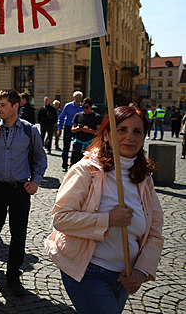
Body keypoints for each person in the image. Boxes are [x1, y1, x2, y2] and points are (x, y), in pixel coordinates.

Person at [45, 106, 164, 314]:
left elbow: (154, 231)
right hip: (88, 271)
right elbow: (61, 218)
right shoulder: (86, 170)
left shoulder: (144, 178)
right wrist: (107, 219)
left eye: (137, 131)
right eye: (122, 130)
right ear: (107, 134)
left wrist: (141, 271)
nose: (130, 137)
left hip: (124, 275)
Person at [0, 89, 47, 296]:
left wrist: (35, 181)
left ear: (16, 106)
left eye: (3, 105)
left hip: (19, 190)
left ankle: (13, 274)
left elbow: (40, 158)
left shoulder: (29, 130)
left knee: (19, 234)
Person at [69, 98, 102, 166]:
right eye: (82, 107)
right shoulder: (78, 115)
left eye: (86, 107)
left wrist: (88, 130)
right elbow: (72, 129)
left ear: (91, 106)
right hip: (78, 143)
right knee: (73, 163)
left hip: (90, 144)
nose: (84, 109)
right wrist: (77, 129)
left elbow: (98, 132)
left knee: (88, 165)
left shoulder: (97, 117)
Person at [58, 91, 84, 172]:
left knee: (78, 146)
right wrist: (59, 128)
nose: (78, 99)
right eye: (77, 98)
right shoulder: (68, 106)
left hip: (78, 128)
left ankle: (77, 164)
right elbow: (61, 117)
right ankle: (64, 165)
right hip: (68, 127)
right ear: (73, 98)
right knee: (66, 147)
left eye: (80, 98)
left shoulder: (82, 107)